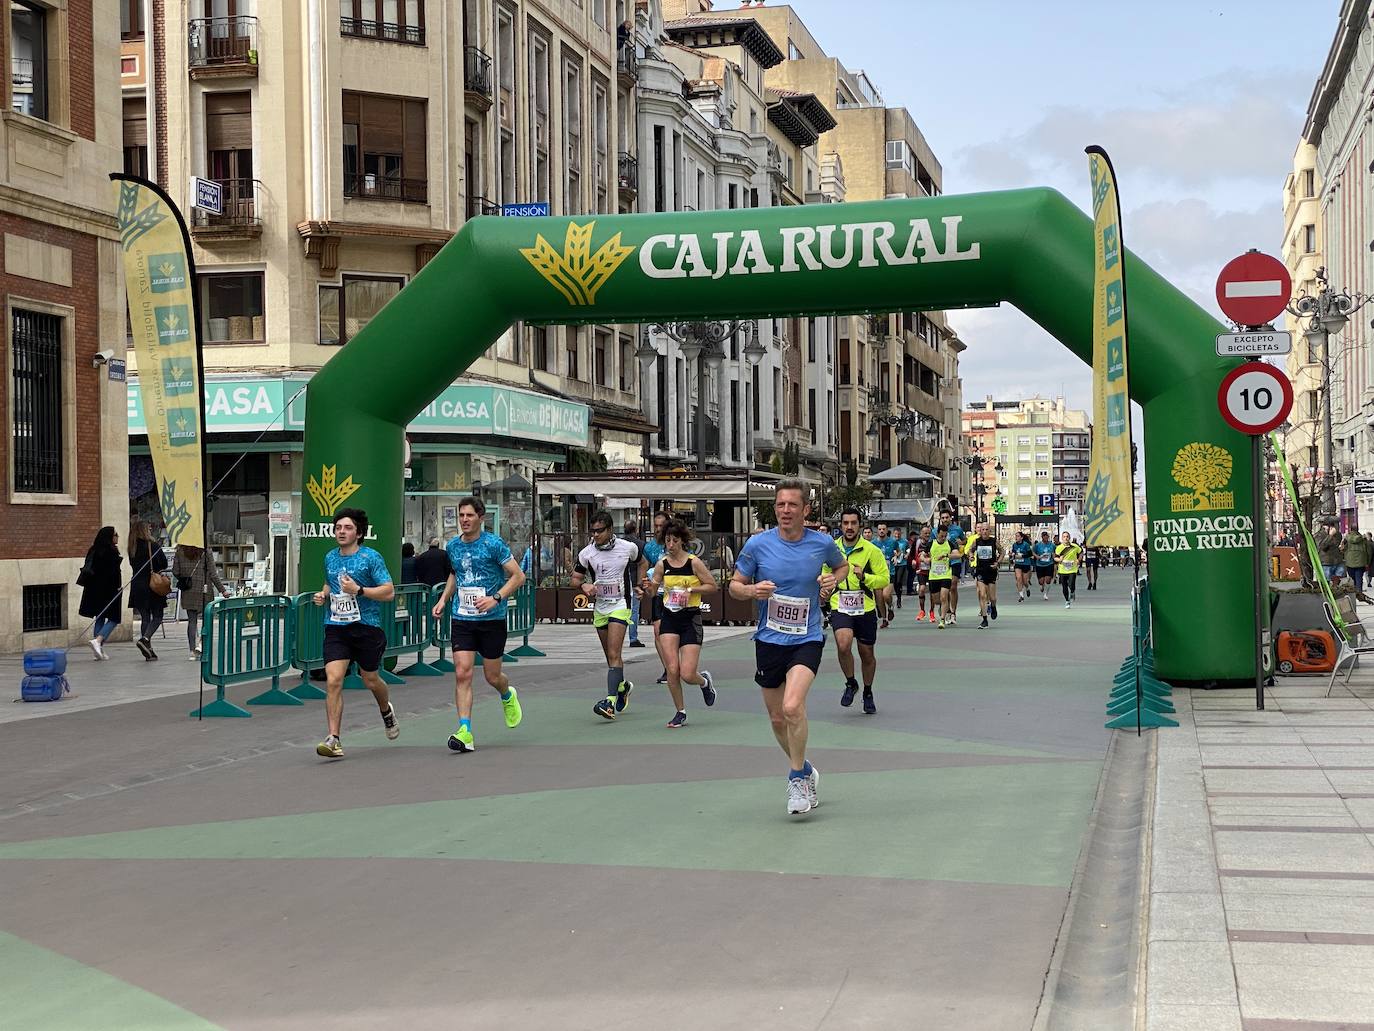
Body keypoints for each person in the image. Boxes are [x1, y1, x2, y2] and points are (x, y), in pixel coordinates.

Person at [730, 479, 846, 816]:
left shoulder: (821, 543)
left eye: (792, 505)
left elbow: (841, 567)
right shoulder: (757, 545)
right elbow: (735, 585)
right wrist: (752, 592)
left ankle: (797, 779)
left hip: (806, 637)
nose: (784, 510)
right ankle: (806, 768)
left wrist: (832, 580)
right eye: (780, 505)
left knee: (793, 706)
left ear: (805, 510)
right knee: (778, 717)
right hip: (768, 639)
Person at [432, 496, 526, 753]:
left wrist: (496, 598)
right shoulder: (452, 546)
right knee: (462, 672)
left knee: (492, 675)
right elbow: (455, 574)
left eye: (469, 515)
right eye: (461, 515)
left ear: (480, 518)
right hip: (462, 617)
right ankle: (465, 731)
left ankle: (507, 694)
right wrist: (443, 600)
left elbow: (518, 576)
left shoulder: (493, 544)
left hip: (491, 619)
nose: (464, 520)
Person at [313, 508, 400, 759]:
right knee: (333, 679)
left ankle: (386, 710)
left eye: (347, 527)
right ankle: (333, 739)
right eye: (338, 527)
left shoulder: (371, 558)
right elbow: (330, 582)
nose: (341, 531)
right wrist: (323, 594)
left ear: (359, 532)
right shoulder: (330, 557)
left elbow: (389, 592)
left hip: (366, 627)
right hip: (336, 626)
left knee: (370, 679)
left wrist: (359, 590)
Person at [572, 510, 646, 721]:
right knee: (611, 658)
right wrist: (584, 584)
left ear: (610, 529)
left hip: (621, 604)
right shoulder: (587, 553)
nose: (595, 535)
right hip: (601, 607)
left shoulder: (627, 548)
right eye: (593, 531)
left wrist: (640, 584)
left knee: (615, 654)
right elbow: (575, 579)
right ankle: (622, 687)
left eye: (599, 531)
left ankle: (610, 701)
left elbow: (643, 562)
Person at [646, 520, 718, 728]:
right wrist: (647, 587)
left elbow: (712, 586)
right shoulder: (662, 564)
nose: (670, 545)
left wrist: (692, 590)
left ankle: (704, 682)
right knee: (672, 669)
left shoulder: (693, 562)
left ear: (682, 541)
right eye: (667, 540)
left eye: (675, 540)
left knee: (687, 673)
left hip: (690, 618)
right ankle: (680, 711)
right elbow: (653, 591)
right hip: (669, 617)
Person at [824, 508, 889, 713]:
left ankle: (867, 691)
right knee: (843, 645)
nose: (849, 527)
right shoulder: (832, 549)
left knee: (866, 653)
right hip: (840, 603)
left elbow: (884, 579)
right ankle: (851, 682)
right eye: (846, 523)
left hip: (865, 607)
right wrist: (825, 587)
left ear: (860, 525)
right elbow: (825, 573)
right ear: (840, 525)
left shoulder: (872, 551)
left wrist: (865, 578)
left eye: (853, 523)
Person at [172, 544, 231, 659]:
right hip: (204, 590)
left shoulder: (180, 551)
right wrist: (222, 590)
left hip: (188, 590)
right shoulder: (205, 551)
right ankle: (201, 644)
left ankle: (192, 651)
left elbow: (175, 571)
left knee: (192, 621)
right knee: (207, 620)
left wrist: (185, 578)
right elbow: (213, 574)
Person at [78, 526, 124, 660]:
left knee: (100, 616)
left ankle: (98, 650)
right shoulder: (111, 551)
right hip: (109, 589)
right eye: (116, 534)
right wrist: (118, 587)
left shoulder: (94, 549)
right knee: (114, 618)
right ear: (110, 536)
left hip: (94, 589)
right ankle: (98, 641)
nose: (117, 537)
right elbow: (114, 573)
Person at [126, 519, 169, 661]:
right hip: (152, 585)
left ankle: (148, 649)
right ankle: (145, 639)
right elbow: (163, 562)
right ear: (145, 530)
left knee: (145, 617)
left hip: (137, 585)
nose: (150, 531)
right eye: (149, 529)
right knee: (157, 616)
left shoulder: (132, 547)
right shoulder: (153, 545)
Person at [642, 511, 669, 684]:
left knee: (675, 633)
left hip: (676, 594)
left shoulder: (678, 544)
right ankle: (668, 668)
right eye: (656, 526)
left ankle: (677, 663)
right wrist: (642, 584)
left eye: (661, 526)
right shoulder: (650, 547)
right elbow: (644, 568)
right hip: (658, 594)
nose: (658, 529)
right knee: (658, 631)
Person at [972, 523, 1003, 629]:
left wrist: (997, 563)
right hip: (980, 570)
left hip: (991, 571)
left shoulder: (994, 541)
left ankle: (993, 606)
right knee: (982, 595)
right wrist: (971, 556)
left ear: (990, 531)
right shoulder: (976, 541)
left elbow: (1002, 552)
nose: (984, 531)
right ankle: (984, 620)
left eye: (986, 529)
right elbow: (970, 551)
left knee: (992, 597)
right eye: (982, 529)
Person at [623, 519, 648, 649]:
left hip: (621, 582)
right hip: (634, 581)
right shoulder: (641, 544)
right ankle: (633, 638)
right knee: (634, 610)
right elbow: (644, 563)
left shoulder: (619, 543)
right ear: (636, 530)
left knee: (620, 610)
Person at [873, 522, 901, 627]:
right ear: (877, 531)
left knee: (886, 595)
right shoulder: (873, 543)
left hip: (890, 572)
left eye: (883, 529)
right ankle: (884, 620)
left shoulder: (892, 542)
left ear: (886, 530)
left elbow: (898, 551)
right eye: (879, 529)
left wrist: (896, 556)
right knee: (879, 598)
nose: (881, 531)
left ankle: (890, 606)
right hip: (877, 573)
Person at [927, 525, 954, 629]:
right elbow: (922, 554)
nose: (943, 538)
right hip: (933, 575)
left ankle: (942, 620)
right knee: (936, 600)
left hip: (946, 574)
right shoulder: (931, 544)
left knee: (944, 597)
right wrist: (924, 559)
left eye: (945, 536)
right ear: (937, 533)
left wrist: (946, 555)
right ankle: (943, 607)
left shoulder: (949, 543)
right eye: (942, 536)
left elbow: (957, 554)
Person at [941, 512, 966, 623]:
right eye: (943, 518)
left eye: (947, 517)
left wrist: (962, 542)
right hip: (942, 562)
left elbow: (964, 540)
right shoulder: (936, 530)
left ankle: (953, 613)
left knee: (953, 586)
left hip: (955, 560)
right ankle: (947, 611)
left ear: (950, 518)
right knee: (945, 588)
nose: (945, 519)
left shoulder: (957, 529)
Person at [1055, 532, 1083, 609]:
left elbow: (1081, 553)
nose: (1066, 538)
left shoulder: (1074, 546)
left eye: (1067, 536)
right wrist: (1059, 560)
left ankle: (1073, 592)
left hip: (1072, 569)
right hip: (1062, 570)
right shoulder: (1059, 548)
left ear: (1069, 538)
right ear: (1062, 538)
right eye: (1064, 537)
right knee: (1064, 587)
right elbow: (1055, 558)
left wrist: (1079, 560)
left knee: (1071, 584)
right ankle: (1067, 601)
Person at [910, 525, 933, 622]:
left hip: (932, 570)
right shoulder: (917, 543)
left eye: (928, 533)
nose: (927, 535)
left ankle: (932, 612)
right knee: (922, 589)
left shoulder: (933, 543)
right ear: (921, 534)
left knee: (933, 592)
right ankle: (922, 610)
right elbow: (911, 555)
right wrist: (913, 561)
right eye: (925, 533)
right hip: (921, 570)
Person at [1316, 518, 1344, 585]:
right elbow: (1322, 546)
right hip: (1326, 562)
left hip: (1337, 561)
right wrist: (1330, 536)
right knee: (1326, 582)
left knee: (1337, 580)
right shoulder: (1319, 535)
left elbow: (1337, 544)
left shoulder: (1337, 535)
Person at [1345, 527, 1371, 596]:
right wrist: (1367, 562)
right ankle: (1359, 593)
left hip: (1350, 561)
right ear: (1357, 529)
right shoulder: (1363, 539)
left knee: (1352, 578)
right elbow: (1368, 551)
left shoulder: (1347, 538)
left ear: (1351, 530)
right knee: (1359, 577)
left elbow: (1343, 548)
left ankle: (1353, 592)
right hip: (1361, 561)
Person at [1010, 531, 1033, 601]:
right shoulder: (1014, 545)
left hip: (1025, 563)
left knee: (1025, 581)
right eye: (1015, 536)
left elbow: (1030, 554)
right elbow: (1013, 551)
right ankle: (1021, 596)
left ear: (1021, 537)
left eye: (1018, 536)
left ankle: (1027, 588)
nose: (1016, 538)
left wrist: (1022, 555)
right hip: (1018, 564)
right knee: (1019, 578)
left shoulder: (1026, 545)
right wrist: (1013, 554)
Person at [1032, 530, 1056, 600]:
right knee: (1041, 581)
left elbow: (1055, 552)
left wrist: (1054, 557)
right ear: (1042, 537)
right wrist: (1037, 556)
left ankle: (1046, 594)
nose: (1045, 537)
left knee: (1048, 580)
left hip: (1049, 564)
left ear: (1048, 537)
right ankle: (1042, 585)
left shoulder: (1052, 545)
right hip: (1040, 565)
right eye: (1044, 536)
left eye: (1046, 536)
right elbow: (1033, 552)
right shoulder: (1038, 545)